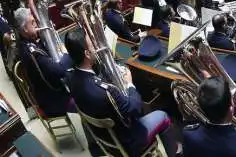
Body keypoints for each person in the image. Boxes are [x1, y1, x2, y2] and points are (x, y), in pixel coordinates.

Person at [64, 29, 172, 157]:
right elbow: (135, 108)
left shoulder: (69, 77)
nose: (96, 46)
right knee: (163, 116)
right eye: (93, 44)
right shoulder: (105, 92)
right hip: (129, 142)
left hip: (104, 141)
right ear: (87, 53)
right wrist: (129, 83)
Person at [15, 7, 74, 117]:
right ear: (25, 29)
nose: (36, 24)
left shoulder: (28, 41)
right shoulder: (32, 52)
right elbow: (60, 70)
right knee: (84, 100)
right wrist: (67, 54)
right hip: (54, 99)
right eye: (32, 23)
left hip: (54, 88)